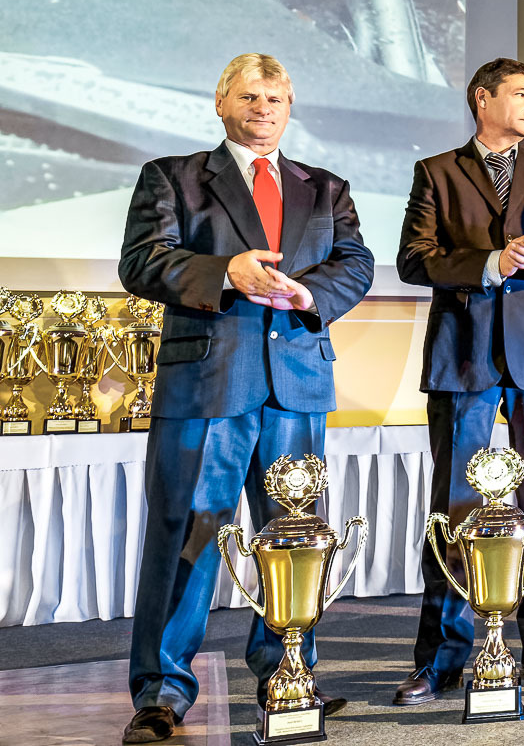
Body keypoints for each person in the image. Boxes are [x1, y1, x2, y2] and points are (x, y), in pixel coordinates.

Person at [118, 53, 374, 744]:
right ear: (222, 102)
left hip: (296, 388)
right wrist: (225, 272)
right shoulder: (173, 176)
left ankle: (289, 675)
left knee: (294, 538)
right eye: (250, 96)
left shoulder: (325, 187)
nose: (264, 108)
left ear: (290, 108)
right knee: (191, 534)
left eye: (276, 98)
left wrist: (309, 294)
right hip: (209, 384)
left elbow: (355, 262)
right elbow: (141, 261)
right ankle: (163, 690)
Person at [393, 58, 524, 704]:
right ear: (482, 98)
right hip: (464, 354)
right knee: (454, 505)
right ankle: (442, 657)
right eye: (520, 93)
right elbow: (413, 259)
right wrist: (489, 263)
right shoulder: (437, 171)